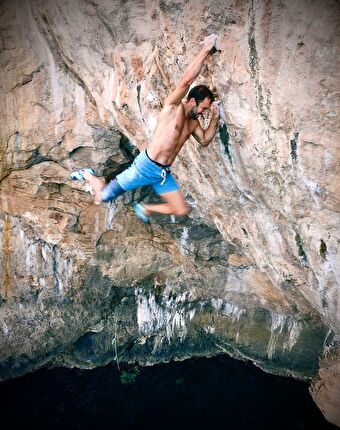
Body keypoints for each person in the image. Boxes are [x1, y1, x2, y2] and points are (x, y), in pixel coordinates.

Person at [71, 34, 220, 223]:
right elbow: (185, 81)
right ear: (192, 101)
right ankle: (87, 174)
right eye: (203, 108)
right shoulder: (173, 107)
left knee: (181, 209)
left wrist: (215, 116)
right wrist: (205, 50)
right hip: (145, 167)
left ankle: (146, 208)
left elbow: (205, 140)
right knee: (102, 196)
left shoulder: (193, 124)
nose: (203, 113)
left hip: (162, 173)